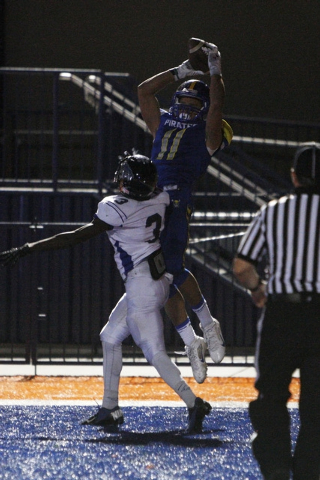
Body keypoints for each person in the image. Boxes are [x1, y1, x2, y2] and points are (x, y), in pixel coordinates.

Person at [0, 152, 212, 433]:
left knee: (155, 352)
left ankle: (193, 402)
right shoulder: (160, 198)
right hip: (160, 280)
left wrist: (29, 248)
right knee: (110, 337)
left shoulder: (116, 207)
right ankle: (109, 407)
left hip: (142, 288)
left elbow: (75, 237)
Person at [138, 40, 233, 383]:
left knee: (172, 267)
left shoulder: (208, 134)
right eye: (184, 101)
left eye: (196, 104)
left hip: (176, 201)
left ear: (206, 108)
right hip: (150, 202)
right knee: (159, 278)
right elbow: (144, 92)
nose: (187, 108)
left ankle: (207, 324)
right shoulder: (162, 122)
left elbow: (217, 108)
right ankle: (191, 341)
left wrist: (215, 72)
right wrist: (179, 72)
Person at [233, 142, 320, 480]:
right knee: (317, 406)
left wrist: (258, 290)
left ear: (294, 176)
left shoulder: (273, 211)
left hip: (282, 315)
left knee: (271, 397)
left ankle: (276, 469)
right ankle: (310, 472)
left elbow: (243, 266)